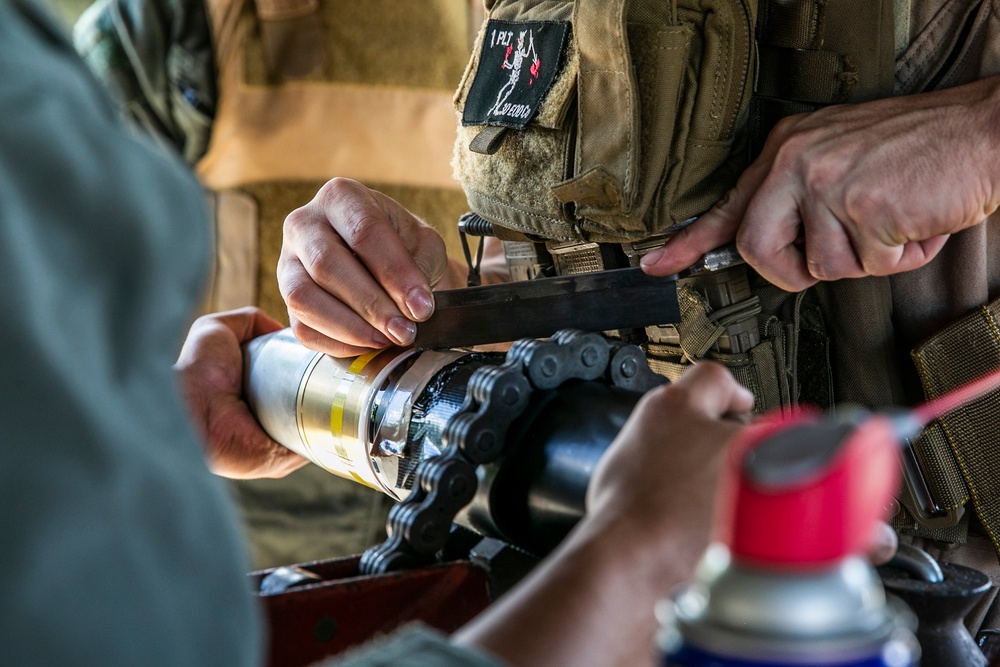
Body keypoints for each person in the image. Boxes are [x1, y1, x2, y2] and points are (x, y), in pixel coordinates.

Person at [275, 0, 1000, 637]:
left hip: (949, 606)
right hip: (656, 606)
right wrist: (454, 298)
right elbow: (609, 254)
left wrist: (978, 136)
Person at [71, 0, 499, 567]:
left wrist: (459, 295)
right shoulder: (163, 34)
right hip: (238, 532)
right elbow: (55, 327)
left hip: (471, 490)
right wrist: (165, 405)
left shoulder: (534, 23)